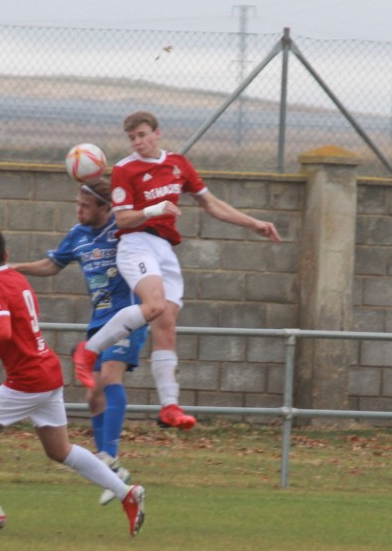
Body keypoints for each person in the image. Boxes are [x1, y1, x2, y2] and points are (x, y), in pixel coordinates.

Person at [72, 110, 281, 430]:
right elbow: (124, 219)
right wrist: (155, 208)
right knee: (153, 306)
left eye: (142, 135)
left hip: (165, 250)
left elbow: (212, 204)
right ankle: (90, 351)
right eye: (132, 138)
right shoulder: (125, 170)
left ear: (157, 133)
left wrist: (254, 224)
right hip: (136, 244)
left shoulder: (177, 164)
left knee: (166, 325)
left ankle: (169, 405)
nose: (138, 142)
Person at [0, 227, 145, 536]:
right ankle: (127, 493)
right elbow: (18, 332)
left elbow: (1, 332)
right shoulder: (18, 280)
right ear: (6, 256)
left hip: (27, 380)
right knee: (60, 450)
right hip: (47, 372)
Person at [12, 177, 148, 505]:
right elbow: (51, 264)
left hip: (128, 315)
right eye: (78, 204)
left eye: (85, 206)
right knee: (92, 396)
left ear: (105, 208)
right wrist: (16, 267)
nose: (79, 210)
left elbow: (148, 229)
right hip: (99, 322)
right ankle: (114, 468)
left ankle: (108, 457)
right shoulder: (77, 236)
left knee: (110, 376)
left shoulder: (122, 228)